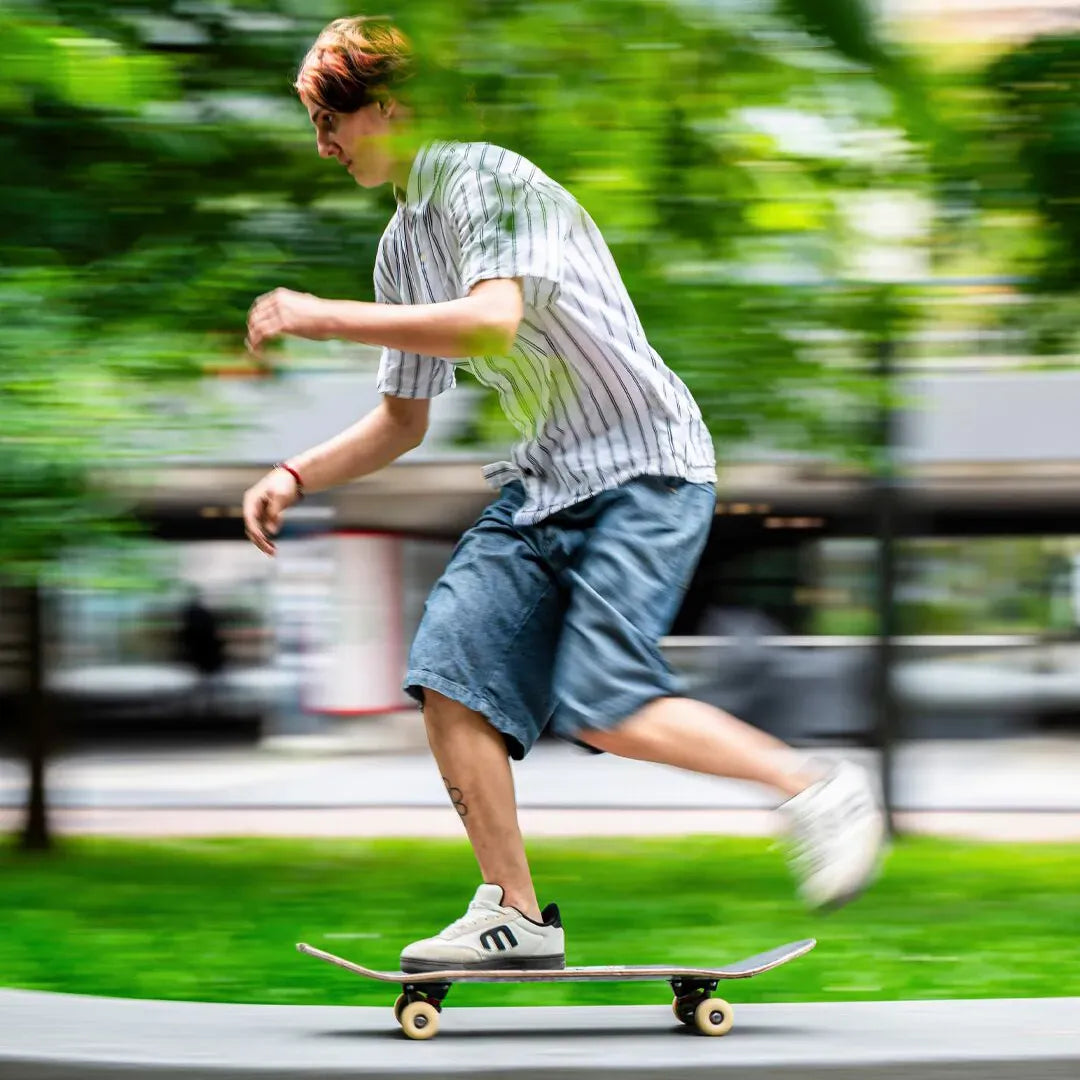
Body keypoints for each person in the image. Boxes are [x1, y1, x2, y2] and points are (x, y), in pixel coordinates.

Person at [242, 14, 885, 974]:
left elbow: (494, 323)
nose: (323, 142)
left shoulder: (486, 178)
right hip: (546, 486)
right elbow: (401, 424)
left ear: (393, 107)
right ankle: (516, 915)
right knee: (450, 679)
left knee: (603, 702)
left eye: (333, 118)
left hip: (646, 469)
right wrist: (294, 473)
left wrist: (318, 317)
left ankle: (818, 788)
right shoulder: (400, 249)